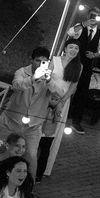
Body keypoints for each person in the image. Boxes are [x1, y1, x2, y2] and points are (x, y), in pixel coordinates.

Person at [0, 46, 52, 191]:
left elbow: (60, 92)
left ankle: (29, 187)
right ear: (31, 60)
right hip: (11, 119)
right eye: (37, 60)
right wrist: (33, 78)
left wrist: (50, 81)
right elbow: (16, 85)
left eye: (44, 61)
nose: (40, 64)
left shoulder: (51, 76)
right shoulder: (22, 72)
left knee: (31, 155)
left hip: (33, 125)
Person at [38, 39, 82, 178]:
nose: (73, 50)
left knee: (51, 133)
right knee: (39, 127)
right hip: (47, 96)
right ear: (65, 48)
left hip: (62, 101)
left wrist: (61, 102)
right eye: (71, 47)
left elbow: (73, 87)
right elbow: (46, 76)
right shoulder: (55, 60)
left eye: (76, 48)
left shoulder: (78, 66)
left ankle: (43, 169)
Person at [65, 8, 100, 132]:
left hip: (87, 65)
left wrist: (94, 55)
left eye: (97, 16)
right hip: (73, 63)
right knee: (66, 86)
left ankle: (76, 120)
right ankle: (62, 113)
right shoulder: (80, 27)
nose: (94, 18)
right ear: (88, 15)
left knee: (82, 92)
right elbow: (70, 32)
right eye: (92, 15)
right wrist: (83, 24)